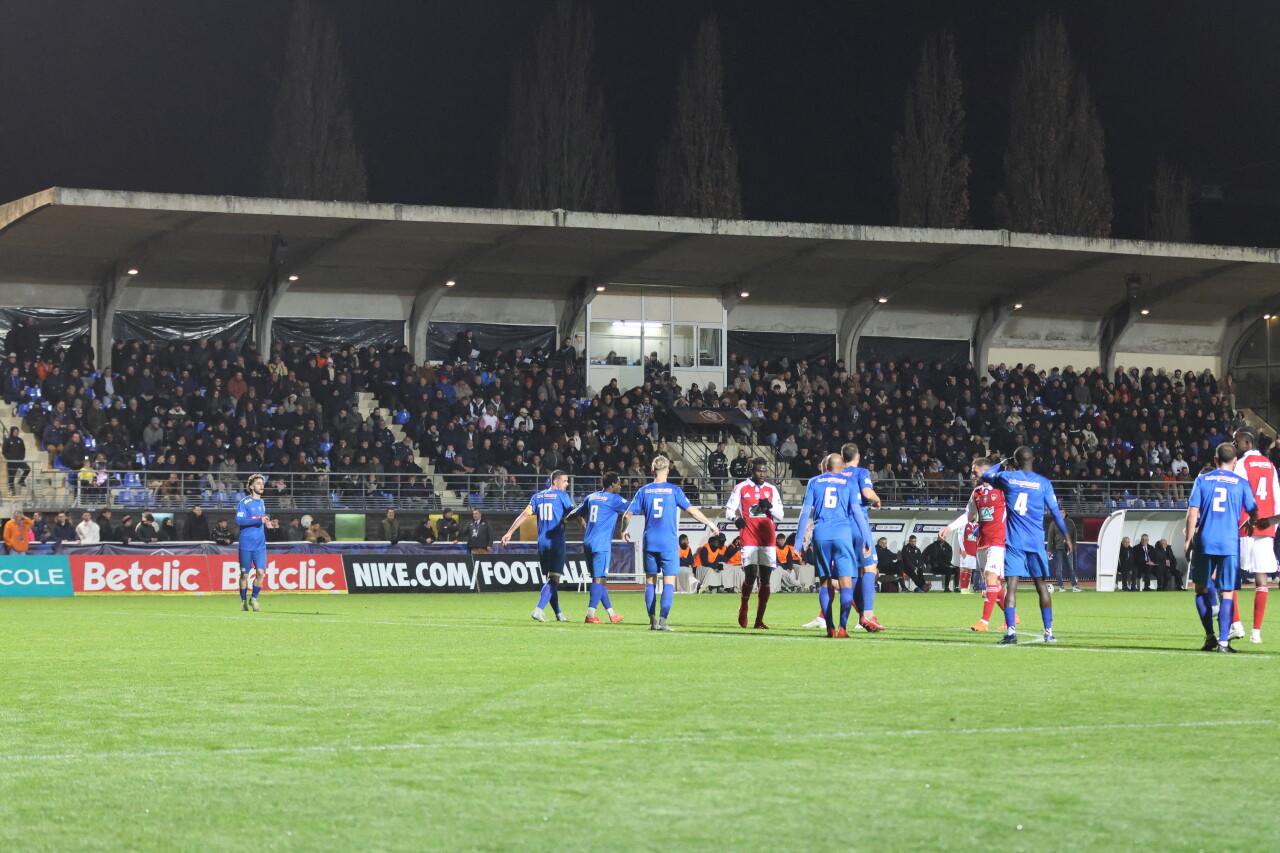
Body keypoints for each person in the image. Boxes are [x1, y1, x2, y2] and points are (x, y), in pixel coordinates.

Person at [981, 446, 1072, 644]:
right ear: (1034, 459)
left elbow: (987, 475)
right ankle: (1048, 632)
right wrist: (1066, 536)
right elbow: (1056, 513)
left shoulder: (1008, 478)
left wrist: (1004, 462)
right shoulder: (1044, 483)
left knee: (1011, 587)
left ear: (1015, 461)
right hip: (1035, 542)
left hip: (1014, 542)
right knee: (1041, 587)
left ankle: (1011, 633)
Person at [622, 456, 718, 631]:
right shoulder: (674, 491)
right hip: (668, 543)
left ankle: (652, 621)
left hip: (650, 541)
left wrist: (624, 530)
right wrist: (710, 524)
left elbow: (627, 515)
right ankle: (663, 621)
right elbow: (692, 511)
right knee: (668, 581)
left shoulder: (643, 491)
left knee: (650, 580)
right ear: (667, 470)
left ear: (652, 470)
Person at [1186, 443, 1259, 652]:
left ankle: (1209, 637)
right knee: (1227, 592)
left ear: (1215, 460)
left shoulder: (1202, 480)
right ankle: (1224, 642)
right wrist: (1251, 523)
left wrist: (1188, 540)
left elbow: (1192, 513)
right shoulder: (1241, 483)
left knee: (1200, 589)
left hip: (1205, 541)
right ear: (1234, 462)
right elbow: (1254, 512)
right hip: (1229, 543)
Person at [798, 453, 870, 637]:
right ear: (843, 466)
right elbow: (857, 512)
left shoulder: (814, 482)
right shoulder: (849, 482)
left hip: (821, 534)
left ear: (826, 465)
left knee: (825, 582)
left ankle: (830, 627)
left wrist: (798, 541)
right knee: (846, 583)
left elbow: (805, 513)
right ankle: (843, 628)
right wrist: (867, 539)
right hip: (843, 534)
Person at [943, 456, 1010, 631]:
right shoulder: (977, 493)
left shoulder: (1003, 489)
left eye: (975, 471)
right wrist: (950, 527)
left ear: (986, 471)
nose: (972, 474)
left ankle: (984, 622)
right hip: (982, 542)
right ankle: (1012, 616)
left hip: (997, 541)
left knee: (990, 578)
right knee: (992, 585)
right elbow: (969, 515)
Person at [501, 470, 576, 623]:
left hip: (542, 542)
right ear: (555, 481)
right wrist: (584, 524)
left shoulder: (538, 497)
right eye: (565, 481)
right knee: (554, 579)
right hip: (556, 542)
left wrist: (509, 532)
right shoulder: (562, 496)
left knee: (551, 579)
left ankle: (558, 613)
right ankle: (538, 609)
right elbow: (574, 513)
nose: (567, 484)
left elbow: (524, 514)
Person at [1231, 428, 1278, 643]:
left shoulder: (1242, 464)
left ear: (1248, 443)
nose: (1234, 445)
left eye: (1237, 441)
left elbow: (1238, 495)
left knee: (1229, 576)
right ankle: (1256, 633)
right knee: (1262, 579)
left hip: (1244, 525)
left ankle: (1237, 624)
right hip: (1266, 527)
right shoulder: (1270, 466)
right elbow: (1277, 498)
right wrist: (1273, 528)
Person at [725, 458, 784, 629]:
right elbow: (729, 509)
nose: (763, 474)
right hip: (749, 538)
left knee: (765, 579)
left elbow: (780, 515)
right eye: (759, 471)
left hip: (767, 540)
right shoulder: (741, 488)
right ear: (752, 470)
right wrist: (735, 519)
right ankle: (744, 607)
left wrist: (770, 507)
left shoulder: (771, 489)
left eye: (765, 471)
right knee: (750, 575)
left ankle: (759, 620)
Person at [566, 472, 627, 623]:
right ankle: (590, 615)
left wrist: (564, 521)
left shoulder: (591, 497)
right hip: (601, 544)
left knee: (600, 580)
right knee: (598, 578)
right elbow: (634, 507)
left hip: (588, 542)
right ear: (612, 484)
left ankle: (612, 614)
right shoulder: (615, 499)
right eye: (619, 483)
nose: (620, 486)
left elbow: (575, 513)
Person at [235, 473, 269, 612]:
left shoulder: (262, 503)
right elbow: (239, 521)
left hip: (260, 545)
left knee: (261, 573)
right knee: (245, 575)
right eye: (258, 483)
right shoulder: (244, 503)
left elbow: (260, 521)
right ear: (251, 486)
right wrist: (258, 520)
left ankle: (254, 599)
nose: (262, 486)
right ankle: (243, 600)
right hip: (246, 545)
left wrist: (268, 524)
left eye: (262, 483)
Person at [1048, 510, 1080, 592]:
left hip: (1068, 549)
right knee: (1059, 569)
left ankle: (1075, 586)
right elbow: (1050, 537)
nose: (1061, 514)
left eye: (1062, 513)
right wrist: (1049, 550)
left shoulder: (1070, 522)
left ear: (1065, 514)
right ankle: (1061, 587)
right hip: (1058, 548)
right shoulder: (1053, 523)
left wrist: (1072, 546)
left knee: (1071, 568)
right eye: (1059, 513)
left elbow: (1074, 535)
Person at [4, 426, 28, 493]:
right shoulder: (8, 440)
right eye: (14, 431)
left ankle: (21, 480)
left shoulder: (20, 440)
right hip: (11, 462)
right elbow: (5, 451)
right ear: (12, 432)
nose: (16, 433)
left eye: (17, 431)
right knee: (11, 477)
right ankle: (13, 491)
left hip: (19, 460)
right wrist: (10, 458)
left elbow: (23, 449)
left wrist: (22, 457)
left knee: (27, 469)